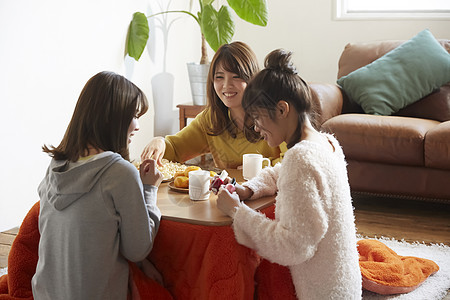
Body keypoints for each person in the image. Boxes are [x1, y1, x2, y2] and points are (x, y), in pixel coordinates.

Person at [216, 50, 362, 299]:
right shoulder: (326, 143)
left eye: (258, 118)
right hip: (345, 286)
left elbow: (292, 247)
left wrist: (237, 212)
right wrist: (249, 189)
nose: (255, 127)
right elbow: (282, 172)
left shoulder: (300, 158)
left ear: (282, 109)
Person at [32, 71, 164, 299]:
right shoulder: (120, 172)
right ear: (112, 119)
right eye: (134, 116)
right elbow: (137, 249)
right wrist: (149, 189)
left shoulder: (56, 165)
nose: (138, 126)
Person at [141, 41, 285, 169]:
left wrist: (261, 166)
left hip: (274, 195)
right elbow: (176, 149)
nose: (226, 85)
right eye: (219, 77)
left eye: (236, 76)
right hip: (231, 196)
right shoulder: (211, 119)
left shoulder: (275, 114)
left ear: (252, 78)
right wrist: (159, 141)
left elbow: (294, 159)